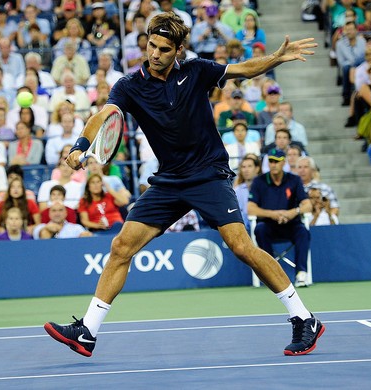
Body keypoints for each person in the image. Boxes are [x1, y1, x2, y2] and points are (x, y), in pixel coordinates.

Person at [44, 12, 324, 358]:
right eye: (151, 46)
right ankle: (88, 331)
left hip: (208, 174)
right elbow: (102, 117)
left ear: (178, 50)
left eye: (163, 48)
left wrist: (276, 58)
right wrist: (79, 147)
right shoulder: (129, 85)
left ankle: (303, 318)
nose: (155, 53)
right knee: (121, 247)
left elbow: (243, 69)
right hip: (170, 180)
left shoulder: (196, 71)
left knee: (240, 246)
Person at [248, 148, 313, 288]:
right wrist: (274, 214)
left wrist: (292, 212)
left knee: (303, 232)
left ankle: (301, 273)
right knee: (259, 229)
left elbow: (307, 205)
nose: (273, 164)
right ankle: (272, 273)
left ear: (283, 162)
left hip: (290, 225)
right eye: (271, 161)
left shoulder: (294, 180)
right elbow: (250, 209)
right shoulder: (259, 181)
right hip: (269, 226)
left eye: (276, 161)